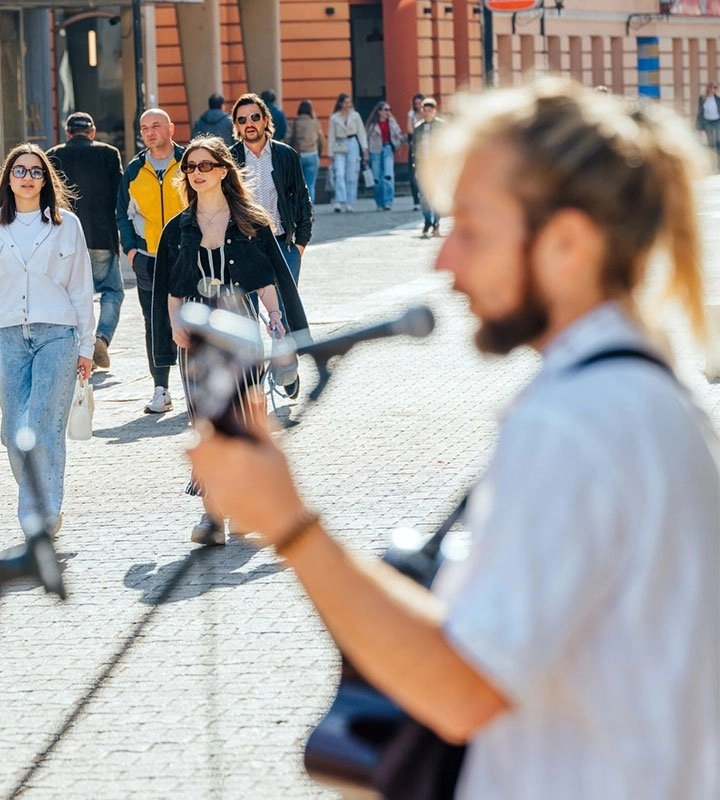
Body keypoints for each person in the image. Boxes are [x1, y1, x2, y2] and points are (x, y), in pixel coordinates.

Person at [189, 79, 718, 799]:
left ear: (567, 242)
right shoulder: (637, 393)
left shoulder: (578, 420)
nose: (446, 262)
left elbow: (463, 687)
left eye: (473, 228)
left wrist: (287, 521)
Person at [153, 137, 307, 546]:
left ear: (223, 170)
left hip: (239, 330)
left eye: (204, 165)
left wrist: (276, 318)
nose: (196, 173)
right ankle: (213, 516)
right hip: (196, 334)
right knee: (206, 423)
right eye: (189, 167)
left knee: (240, 421)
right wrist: (173, 325)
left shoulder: (250, 222)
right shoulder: (178, 228)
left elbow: (266, 279)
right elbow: (170, 288)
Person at [0, 144, 94, 538]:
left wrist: (87, 347)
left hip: (58, 334)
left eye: (36, 172)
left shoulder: (66, 224)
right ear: (8, 178)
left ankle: (41, 510)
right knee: (12, 432)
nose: (27, 177)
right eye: (20, 170)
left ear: (46, 179)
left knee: (43, 426)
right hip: (10, 339)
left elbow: (81, 287)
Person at [117, 108, 186, 414]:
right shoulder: (134, 169)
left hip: (187, 256)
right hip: (149, 259)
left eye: (156, 126)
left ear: (171, 128)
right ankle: (161, 388)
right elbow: (122, 214)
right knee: (155, 324)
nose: (150, 132)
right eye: (145, 128)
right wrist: (131, 251)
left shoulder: (189, 162)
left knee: (191, 319)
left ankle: (197, 386)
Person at [47, 112, 125, 369]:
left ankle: (78, 347)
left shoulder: (53, 155)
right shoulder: (108, 153)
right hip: (101, 235)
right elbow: (120, 197)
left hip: (64, 240)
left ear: (68, 133)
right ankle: (101, 337)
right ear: (92, 132)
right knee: (112, 291)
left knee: (71, 297)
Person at [229, 92, 313, 286]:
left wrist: (300, 244)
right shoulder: (229, 159)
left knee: (285, 312)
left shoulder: (286, 155)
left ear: (265, 120)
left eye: (255, 117)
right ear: (237, 127)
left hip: (284, 245)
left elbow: (302, 199)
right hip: (246, 247)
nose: (249, 123)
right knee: (248, 313)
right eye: (242, 120)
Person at [327, 93, 368, 213]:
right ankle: (339, 201)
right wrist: (330, 152)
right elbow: (331, 135)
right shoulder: (334, 118)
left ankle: (350, 202)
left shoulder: (355, 116)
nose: (348, 105)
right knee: (339, 173)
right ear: (340, 104)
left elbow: (361, 132)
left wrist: (364, 148)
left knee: (352, 175)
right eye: (345, 102)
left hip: (352, 143)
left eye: (349, 102)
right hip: (339, 144)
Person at [413, 97, 444, 238]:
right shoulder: (418, 128)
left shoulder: (441, 126)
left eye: (429, 110)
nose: (427, 113)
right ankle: (427, 220)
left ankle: (436, 222)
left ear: (434, 111)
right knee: (424, 196)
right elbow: (414, 148)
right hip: (422, 164)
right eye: (424, 110)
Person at [366, 100, 404, 211]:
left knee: (388, 175)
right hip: (375, 150)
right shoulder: (372, 125)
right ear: (379, 111)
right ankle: (379, 202)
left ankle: (388, 202)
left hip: (388, 148)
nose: (388, 112)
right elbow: (366, 139)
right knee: (377, 178)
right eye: (386, 110)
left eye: (389, 110)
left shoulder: (391, 122)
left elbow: (398, 133)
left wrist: (392, 119)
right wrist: (366, 154)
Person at [285, 100, 325, 206]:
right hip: (312, 155)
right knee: (311, 185)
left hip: (298, 156)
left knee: (298, 185)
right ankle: (309, 211)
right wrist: (319, 152)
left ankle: (300, 210)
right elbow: (321, 140)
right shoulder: (315, 123)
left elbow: (287, 139)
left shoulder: (294, 123)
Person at [407, 92, 425, 210]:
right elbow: (409, 129)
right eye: (416, 103)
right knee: (413, 175)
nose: (418, 105)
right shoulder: (411, 114)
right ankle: (416, 200)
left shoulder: (427, 113)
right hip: (415, 146)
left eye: (420, 103)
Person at [697, 80, 720, 168]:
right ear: (708, 88)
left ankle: (718, 164)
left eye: (715, 88)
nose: (712, 89)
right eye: (711, 87)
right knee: (711, 143)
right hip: (707, 122)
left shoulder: (718, 99)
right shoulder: (702, 99)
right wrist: (699, 127)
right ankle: (712, 165)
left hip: (717, 121)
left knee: (718, 142)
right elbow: (700, 113)